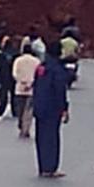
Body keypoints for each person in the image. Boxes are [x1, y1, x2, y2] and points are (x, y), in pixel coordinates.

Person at [33, 41, 71, 178]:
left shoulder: (41, 67)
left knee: (41, 137)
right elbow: (59, 90)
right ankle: (51, 168)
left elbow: (35, 86)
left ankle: (42, 166)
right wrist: (64, 108)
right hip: (52, 107)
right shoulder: (57, 69)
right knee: (52, 138)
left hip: (39, 106)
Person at [12, 44, 40, 138]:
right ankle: (26, 128)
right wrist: (30, 83)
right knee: (28, 111)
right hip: (31, 88)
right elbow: (38, 75)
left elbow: (15, 73)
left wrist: (21, 81)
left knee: (20, 109)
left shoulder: (18, 60)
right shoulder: (36, 61)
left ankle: (21, 124)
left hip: (20, 88)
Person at [0, 38, 19, 118]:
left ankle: (1, 110)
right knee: (13, 95)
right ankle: (15, 111)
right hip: (13, 76)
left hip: (4, 76)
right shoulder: (16, 54)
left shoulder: (2, 54)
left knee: (3, 94)